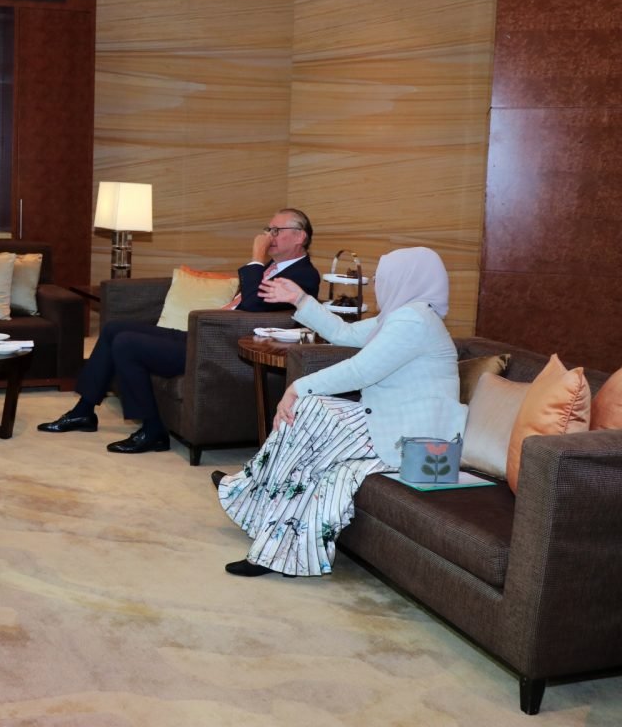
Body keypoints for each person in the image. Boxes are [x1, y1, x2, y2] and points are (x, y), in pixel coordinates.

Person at [214, 247, 467, 577]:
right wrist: (300, 299)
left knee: (309, 412)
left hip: (419, 446)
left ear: (405, 279)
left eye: (382, 277)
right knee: (309, 422)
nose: (376, 283)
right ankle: (266, 526)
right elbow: (343, 334)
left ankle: (250, 493)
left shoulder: (413, 320)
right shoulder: (405, 315)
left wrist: (296, 388)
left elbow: (361, 371)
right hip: (394, 426)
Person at [38, 208, 322, 454]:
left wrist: (256, 258)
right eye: (268, 229)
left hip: (222, 348)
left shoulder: (303, 275)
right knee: (114, 328)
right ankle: (84, 411)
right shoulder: (275, 268)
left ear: (300, 237)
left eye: (276, 230)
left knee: (126, 343)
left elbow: (253, 305)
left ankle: (153, 430)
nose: (269, 236)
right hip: (205, 334)